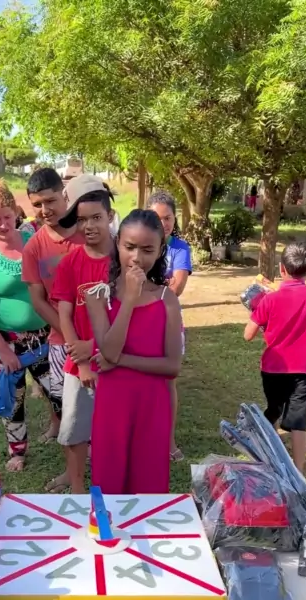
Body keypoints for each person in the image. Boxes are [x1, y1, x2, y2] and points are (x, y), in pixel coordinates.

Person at [0, 180, 61, 472]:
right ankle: (17, 452)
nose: (4, 225)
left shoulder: (32, 238)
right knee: (14, 397)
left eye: (7, 217)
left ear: (16, 212)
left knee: (60, 390)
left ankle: (80, 439)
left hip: (42, 337)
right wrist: (3, 351)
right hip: (3, 341)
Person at [86, 209, 182, 494]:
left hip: (152, 407)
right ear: (117, 243)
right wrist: (128, 299)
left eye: (147, 250)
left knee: (148, 487)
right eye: (129, 247)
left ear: (160, 251)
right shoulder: (98, 296)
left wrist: (120, 361)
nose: (137, 257)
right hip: (112, 407)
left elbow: (172, 366)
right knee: (109, 485)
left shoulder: (166, 300)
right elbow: (109, 350)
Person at [244, 243, 306, 472]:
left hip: (273, 368)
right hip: (305, 370)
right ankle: (298, 470)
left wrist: (258, 310)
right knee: (299, 421)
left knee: (273, 410)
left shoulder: (269, 300)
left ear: (281, 268)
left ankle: (271, 461)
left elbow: (248, 335)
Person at [22, 167, 85, 491]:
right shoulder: (34, 247)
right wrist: (70, 332)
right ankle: (72, 475)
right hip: (62, 343)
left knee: (105, 409)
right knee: (68, 410)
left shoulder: (89, 232)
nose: (45, 209)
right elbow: (38, 300)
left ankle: (106, 467)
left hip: (102, 338)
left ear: (64, 196)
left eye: (50, 201)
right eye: (37, 204)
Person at [52, 175, 114, 493]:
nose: (88, 226)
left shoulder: (123, 260)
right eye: (82, 220)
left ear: (110, 217)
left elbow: (128, 315)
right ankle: (77, 489)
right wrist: (83, 360)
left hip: (116, 360)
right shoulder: (70, 263)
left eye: (96, 218)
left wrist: (96, 347)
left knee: (112, 432)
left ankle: (111, 488)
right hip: (80, 366)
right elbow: (64, 315)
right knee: (74, 430)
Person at [147, 190, 192, 462]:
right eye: (157, 217)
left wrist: (147, 291)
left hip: (168, 324)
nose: (163, 223)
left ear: (175, 220)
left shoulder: (180, 249)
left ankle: (169, 441)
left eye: (168, 218)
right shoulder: (136, 244)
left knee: (167, 384)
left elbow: (177, 288)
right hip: (139, 323)